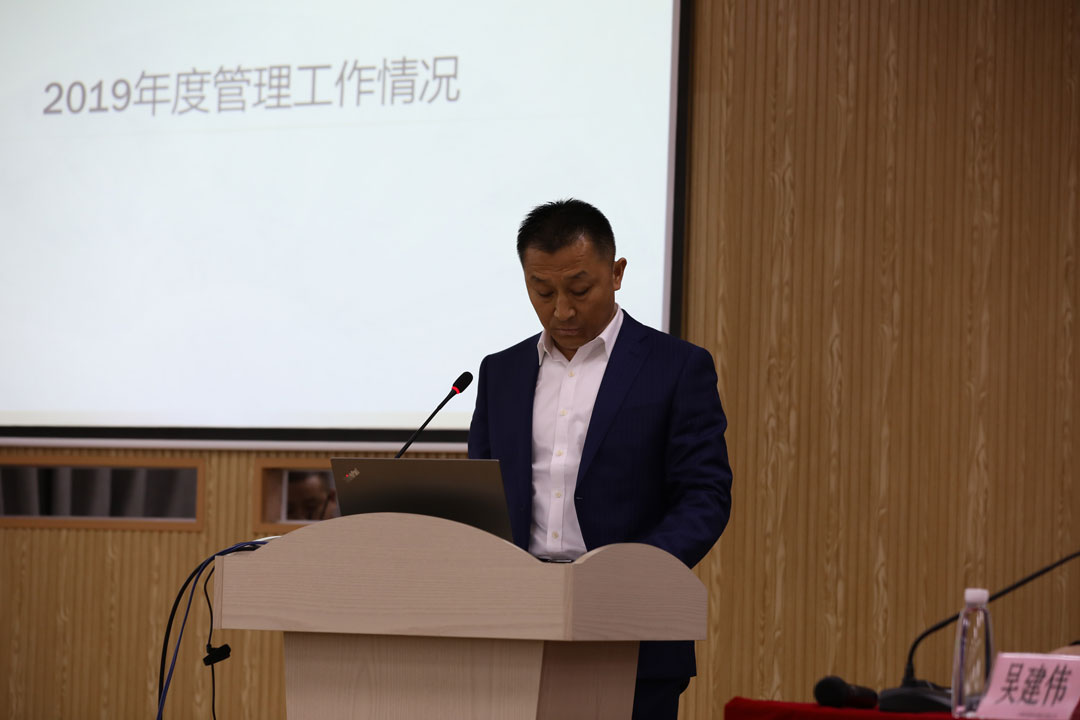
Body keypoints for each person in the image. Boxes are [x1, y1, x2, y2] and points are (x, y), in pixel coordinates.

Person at [468, 199, 733, 719]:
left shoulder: (676, 367)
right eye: (543, 292)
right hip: (515, 627)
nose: (562, 311)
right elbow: (485, 495)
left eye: (579, 289)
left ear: (616, 274)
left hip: (633, 627)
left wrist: (631, 571)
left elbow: (704, 496)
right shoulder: (500, 372)